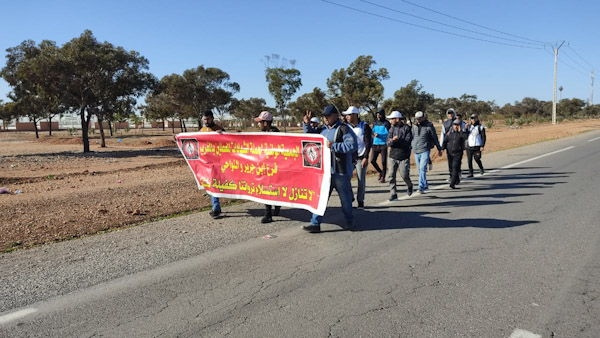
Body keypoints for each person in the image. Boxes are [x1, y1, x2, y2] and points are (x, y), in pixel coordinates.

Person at [303, 105, 358, 233]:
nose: (326, 118)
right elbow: (311, 137)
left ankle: (349, 221)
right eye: (324, 116)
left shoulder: (344, 129)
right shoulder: (322, 129)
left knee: (345, 199)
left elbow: (352, 146)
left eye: (328, 116)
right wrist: (306, 124)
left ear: (335, 116)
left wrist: (334, 146)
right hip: (325, 171)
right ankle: (315, 223)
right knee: (320, 198)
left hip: (340, 171)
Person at [254, 110, 281, 223]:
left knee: (270, 189)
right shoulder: (262, 134)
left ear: (266, 123)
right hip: (265, 167)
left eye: (260, 122)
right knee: (267, 189)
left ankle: (269, 213)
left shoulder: (276, 134)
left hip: (275, 167)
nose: (258, 124)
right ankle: (272, 209)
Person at [343, 106, 372, 208]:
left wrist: (366, 157)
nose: (347, 117)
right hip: (349, 157)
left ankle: (360, 201)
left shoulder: (364, 126)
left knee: (360, 179)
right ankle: (350, 197)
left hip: (361, 156)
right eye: (346, 115)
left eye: (349, 115)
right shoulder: (345, 127)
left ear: (355, 115)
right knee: (346, 178)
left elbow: (368, 143)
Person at [201, 110, 225, 219]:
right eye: (204, 119)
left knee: (214, 184)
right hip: (206, 164)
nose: (206, 121)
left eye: (208, 119)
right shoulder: (201, 131)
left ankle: (216, 208)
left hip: (218, 163)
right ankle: (216, 207)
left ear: (212, 119)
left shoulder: (219, 129)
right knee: (211, 184)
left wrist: (222, 135)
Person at [411, 111, 442, 193]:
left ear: (423, 117)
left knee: (422, 168)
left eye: (419, 118)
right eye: (417, 119)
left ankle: (421, 186)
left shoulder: (429, 126)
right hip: (416, 150)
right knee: (419, 169)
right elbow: (412, 137)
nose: (418, 120)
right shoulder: (414, 127)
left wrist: (439, 149)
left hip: (425, 149)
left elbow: (434, 137)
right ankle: (425, 184)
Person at [386, 111, 413, 200]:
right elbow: (388, 142)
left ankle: (409, 185)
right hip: (392, 156)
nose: (390, 121)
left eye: (392, 119)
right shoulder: (391, 129)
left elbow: (408, 142)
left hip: (403, 156)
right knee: (391, 176)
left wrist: (398, 140)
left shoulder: (407, 128)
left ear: (397, 119)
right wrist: (392, 141)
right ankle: (393, 193)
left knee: (404, 175)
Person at [442, 119, 467, 189]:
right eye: (455, 125)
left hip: (458, 153)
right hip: (449, 152)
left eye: (457, 125)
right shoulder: (449, 133)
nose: (456, 126)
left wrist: (460, 131)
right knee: (451, 167)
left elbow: (465, 138)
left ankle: (452, 183)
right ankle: (456, 179)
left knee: (455, 167)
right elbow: (445, 141)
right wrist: (442, 149)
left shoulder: (462, 133)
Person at [370, 109, 390, 183]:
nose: (378, 116)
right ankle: (380, 171)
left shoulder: (386, 123)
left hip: (383, 144)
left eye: (380, 114)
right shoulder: (375, 123)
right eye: (377, 114)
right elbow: (372, 132)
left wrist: (380, 135)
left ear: (383, 115)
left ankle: (383, 177)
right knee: (372, 160)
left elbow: (388, 133)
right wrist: (373, 134)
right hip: (375, 144)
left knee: (383, 162)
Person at [466, 113, 486, 177]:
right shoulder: (468, 127)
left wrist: (482, 146)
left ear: (477, 118)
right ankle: (471, 172)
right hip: (469, 146)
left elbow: (483, 137)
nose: (473, 119)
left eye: (474, 118)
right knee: (469, 160)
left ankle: (481, 168)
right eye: (472, 118)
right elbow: (464, 135)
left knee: (477, 158)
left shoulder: (481, 127)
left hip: (477, 146)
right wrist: (466, 128)